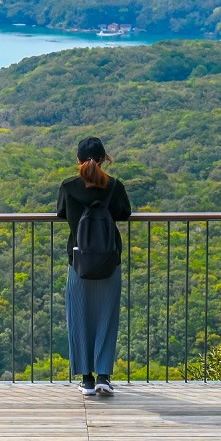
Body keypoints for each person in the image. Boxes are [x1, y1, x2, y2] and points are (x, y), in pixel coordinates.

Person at [56, 137, 132, 396]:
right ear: (104, 159)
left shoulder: (68, 187)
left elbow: (61, 213)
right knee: (106, 318)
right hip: (110, 260)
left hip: (78, 261)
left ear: (78, 160)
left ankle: (86, 380)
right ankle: (103, 377)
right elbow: (124, 213)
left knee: (79, 317)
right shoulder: (114, 186)